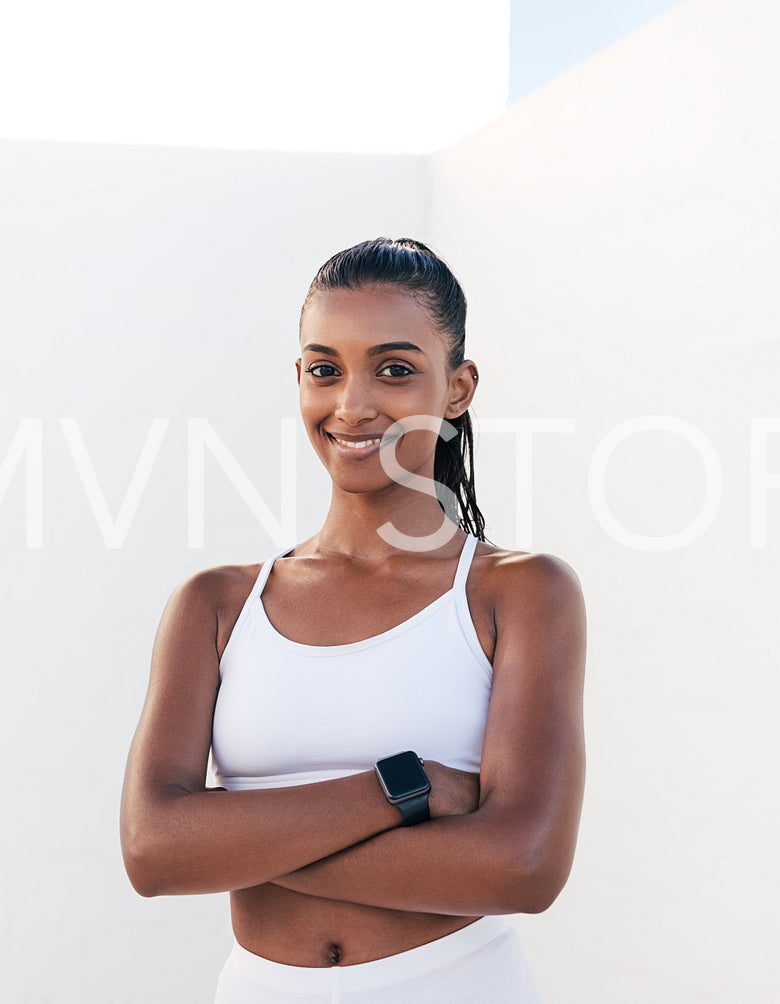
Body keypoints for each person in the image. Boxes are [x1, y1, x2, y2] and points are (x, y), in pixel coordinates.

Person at [119, 237, 587, 1003]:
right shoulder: (217, 603)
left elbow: (523, 867)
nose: (353, 404)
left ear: (458, 388)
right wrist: (400, 791)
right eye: (324, 370)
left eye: (395, 369)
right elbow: (151, 855)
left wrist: (227, 839)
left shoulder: (518, 593)